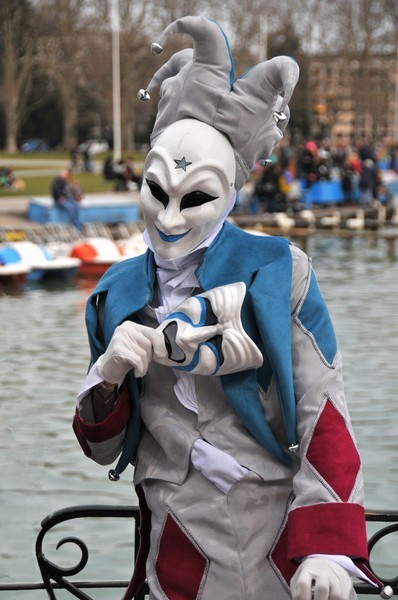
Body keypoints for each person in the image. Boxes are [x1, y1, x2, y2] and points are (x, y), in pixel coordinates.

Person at [72, 17, 391, 600]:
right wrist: (108, 376)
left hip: (280, 546)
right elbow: (102, 449)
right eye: (155, 191)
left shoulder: (280, 270)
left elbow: (322, 408)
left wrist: (326, 546)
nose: (168, 219)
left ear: (229, 194)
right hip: (175, 550)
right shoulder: (114, 292)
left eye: (193, 197)